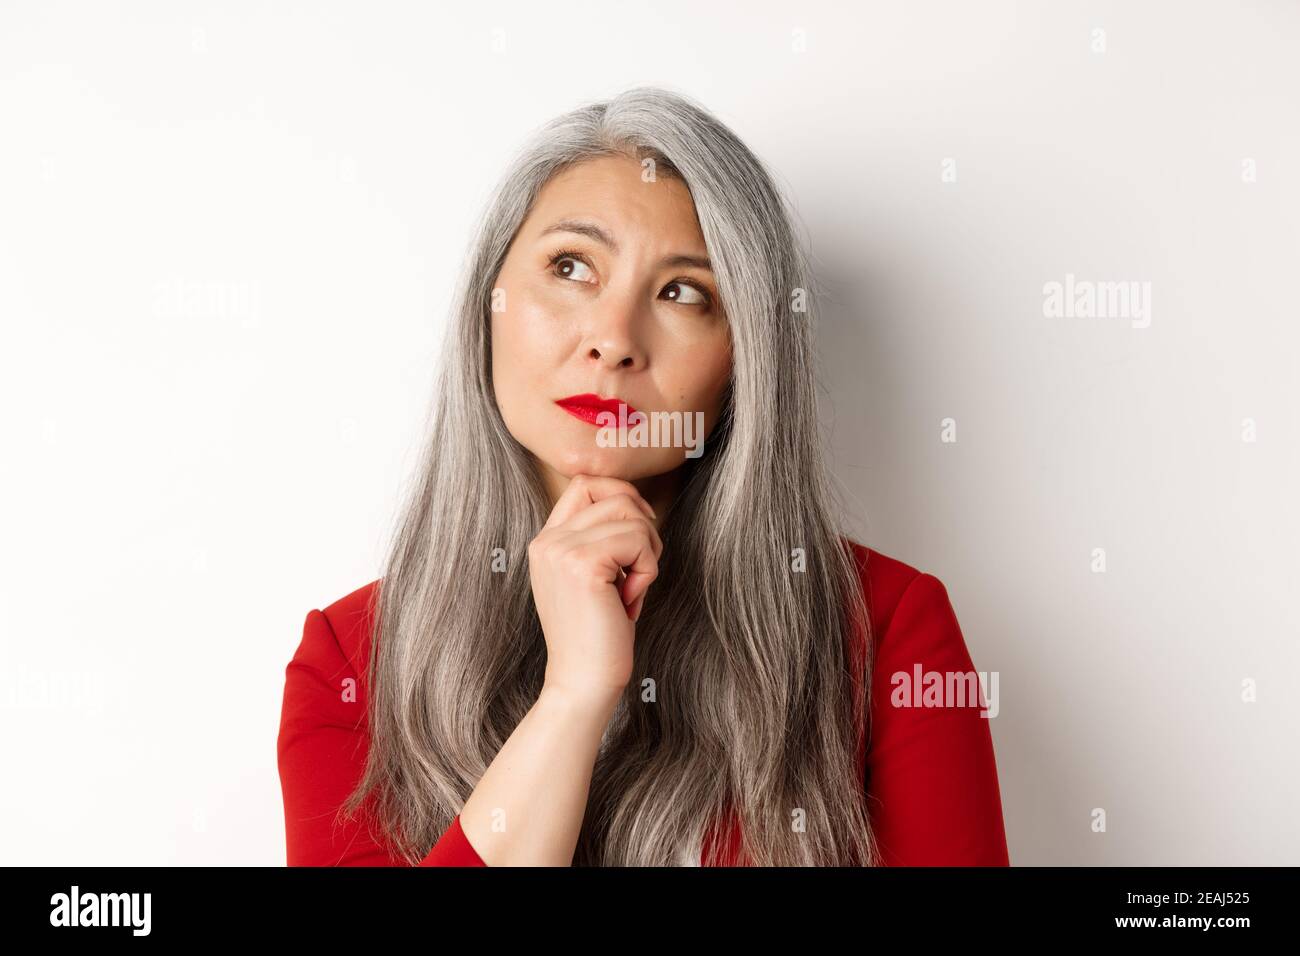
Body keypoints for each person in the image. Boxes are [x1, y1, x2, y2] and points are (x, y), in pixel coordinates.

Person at [277, 86, 1010, 867]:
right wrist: (575, 695)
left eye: (683, 292)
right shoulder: (353, 660)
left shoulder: (888, 632)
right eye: (571, 267)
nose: (614, 340)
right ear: (487, 303)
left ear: (746, 359)